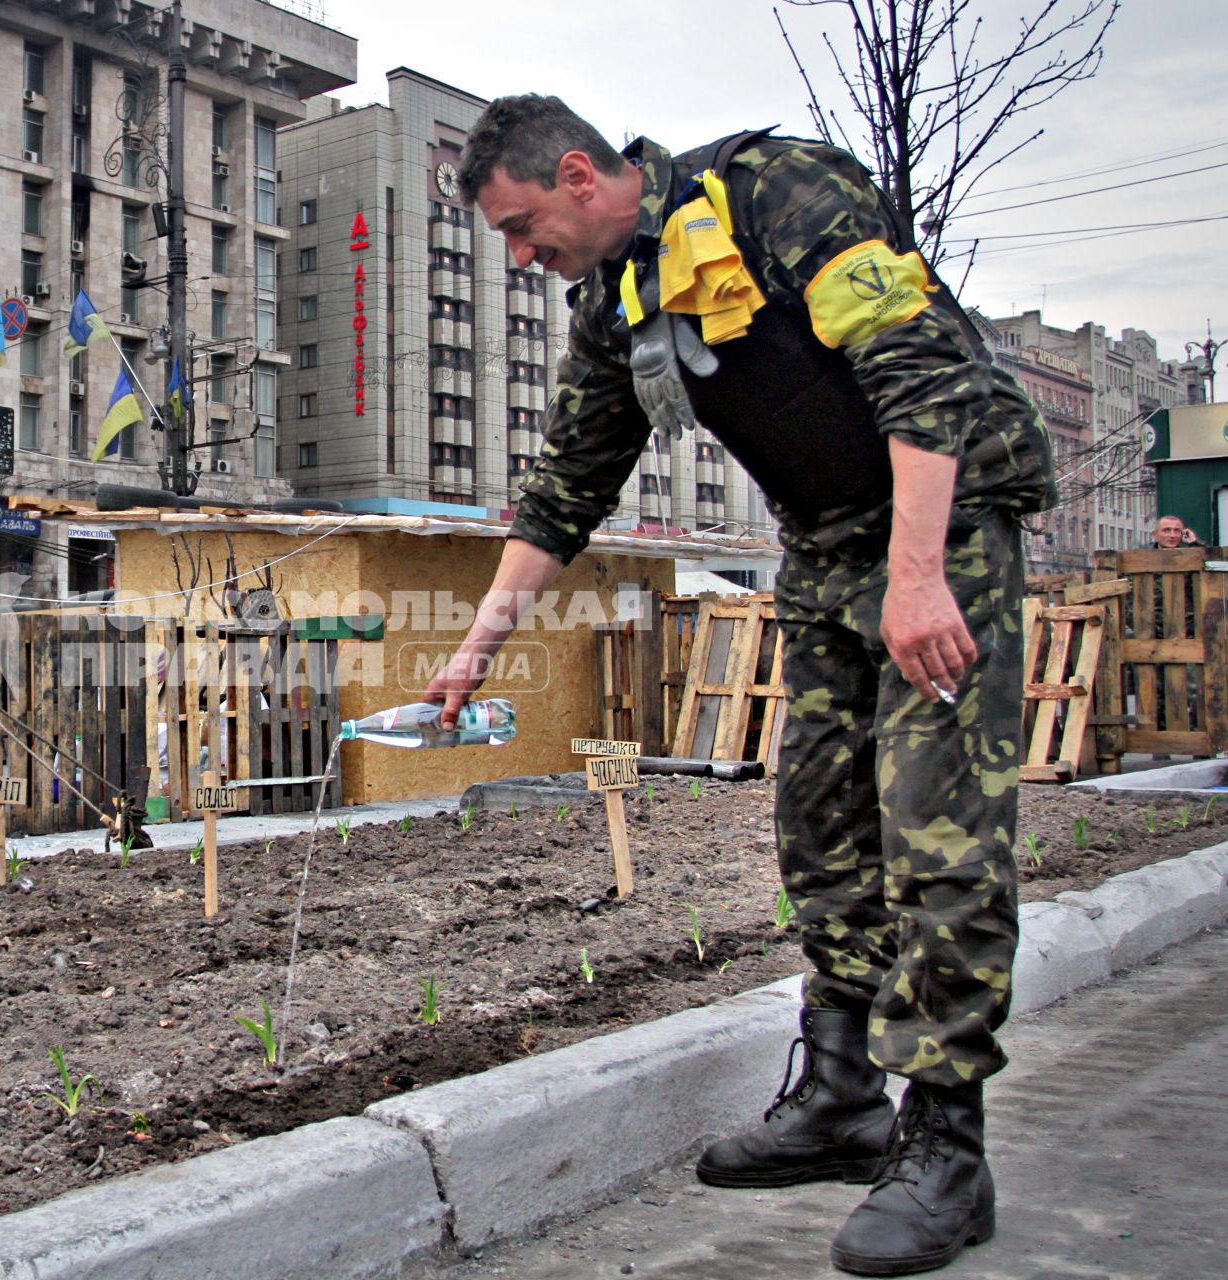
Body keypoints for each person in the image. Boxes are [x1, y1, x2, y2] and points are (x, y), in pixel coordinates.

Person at [427, 95, 1055, 1277]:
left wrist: (920, 579)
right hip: (823, 543)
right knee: (820, 825)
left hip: (943, 528)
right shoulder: (618, 298)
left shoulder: (778, 194)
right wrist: (477, 644)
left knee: (938, 832)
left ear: (574, 173)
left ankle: (947, 1149)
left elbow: (921, 375)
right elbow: (569, 483)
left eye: (520, 226)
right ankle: (843, 1092)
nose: (519, 256)